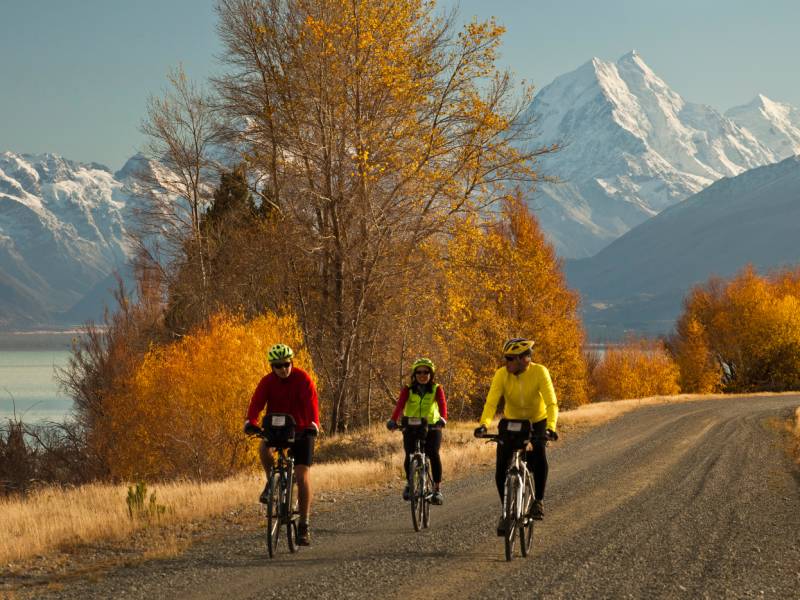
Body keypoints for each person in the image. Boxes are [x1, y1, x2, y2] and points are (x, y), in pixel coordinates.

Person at [473, 338, 558, 533]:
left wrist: (550, 428)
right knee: (501, 469)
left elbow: (551, 403)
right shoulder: (501, 374)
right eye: (506, 358)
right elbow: (491, 403)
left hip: (536, 421)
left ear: (523, 359)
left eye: (510, 358)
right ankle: (507, 513)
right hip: (511, 422)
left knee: (539, 454)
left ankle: (538, 501)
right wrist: (484, 424)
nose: (506, 362)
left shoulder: (539, 372)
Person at [244, 343, 320, 546]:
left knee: (302, 476)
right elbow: (256, 404)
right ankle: (272, 482)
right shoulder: (267, 382)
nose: (283, 369)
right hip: (277, 429)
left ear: (291, 362)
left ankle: (303, 525)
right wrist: (251, 422)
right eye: (278, 366)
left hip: (302, 430)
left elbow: (312, 404)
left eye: (286, 364)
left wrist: (314, 424)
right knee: (263, 449)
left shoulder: (303, 379)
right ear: (272, 367)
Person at [386, 357, 448, 505]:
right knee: (409, 454)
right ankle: (410, 483)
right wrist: (393, 420)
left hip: (432, 426)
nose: (422, 375)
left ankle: (437, 489)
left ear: (431, 374)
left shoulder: (436, 388)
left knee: (433, 454)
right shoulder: (408, 389)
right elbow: (400, 405)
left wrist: (443, 419)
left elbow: (442, 404)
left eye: (426, 372)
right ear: (414, 374)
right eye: (419, 372)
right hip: (411, 426)